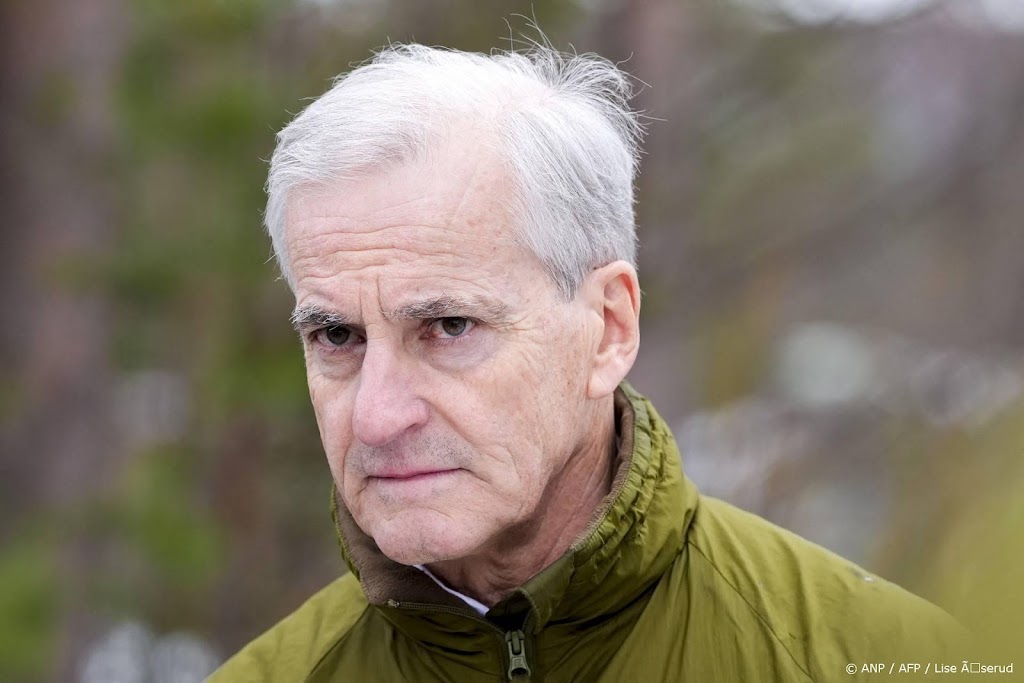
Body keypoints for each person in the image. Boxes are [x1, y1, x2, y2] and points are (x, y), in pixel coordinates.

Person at [210, 43, 966, 682]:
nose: (377, 416)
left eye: (449, 327)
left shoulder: (878, 657)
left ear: (608, 329)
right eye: (337, 337)